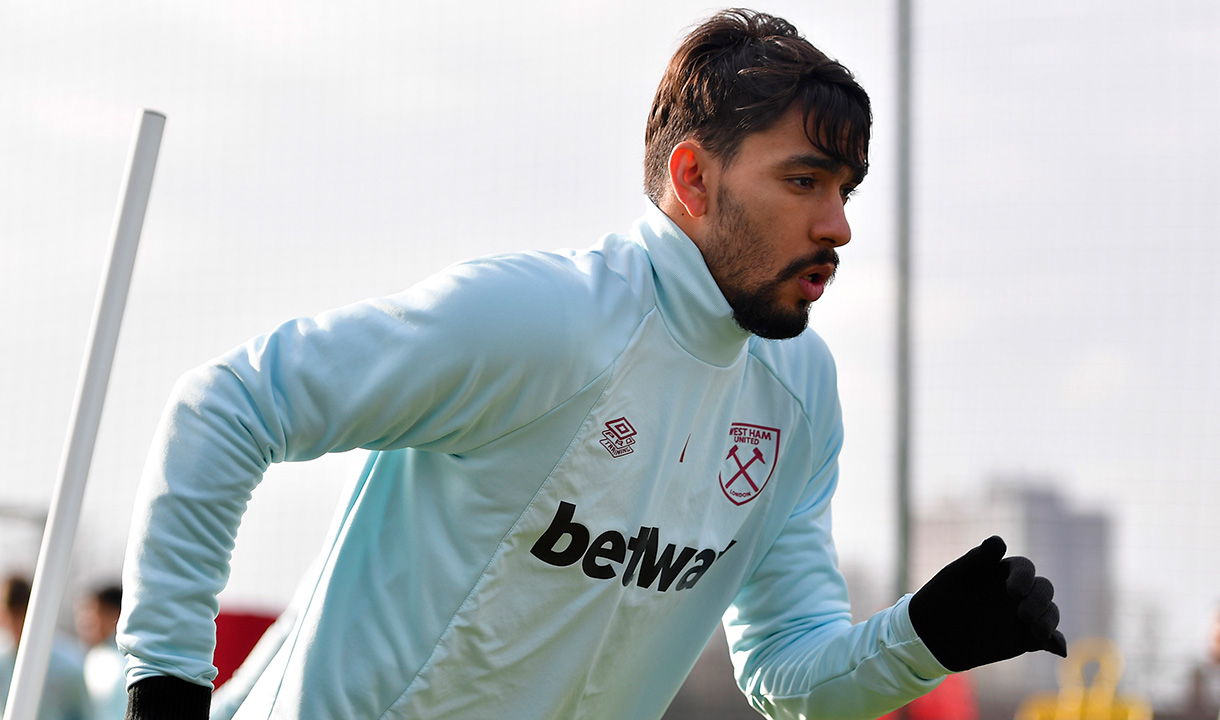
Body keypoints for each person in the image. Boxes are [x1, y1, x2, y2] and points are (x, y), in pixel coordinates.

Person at [117, 9, 1067, 719]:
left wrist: (921, 640)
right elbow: (227, 406)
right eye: (804, 181)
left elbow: (783, 672)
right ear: (693, 179)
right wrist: (164, 684)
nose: (840, 225)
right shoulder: (542, 321)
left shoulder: (800, 395)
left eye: (847, 189)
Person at [0, 575, 92, 720]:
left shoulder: (69, 664)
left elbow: (85, 714)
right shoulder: (2, 662)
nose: (14, 624)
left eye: (19, 614)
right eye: (9, 615)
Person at [76, 583, 128, 719]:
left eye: (92, 613)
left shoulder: (127, 661)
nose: (84, 623)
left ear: (115, 614)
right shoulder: (93, 657)